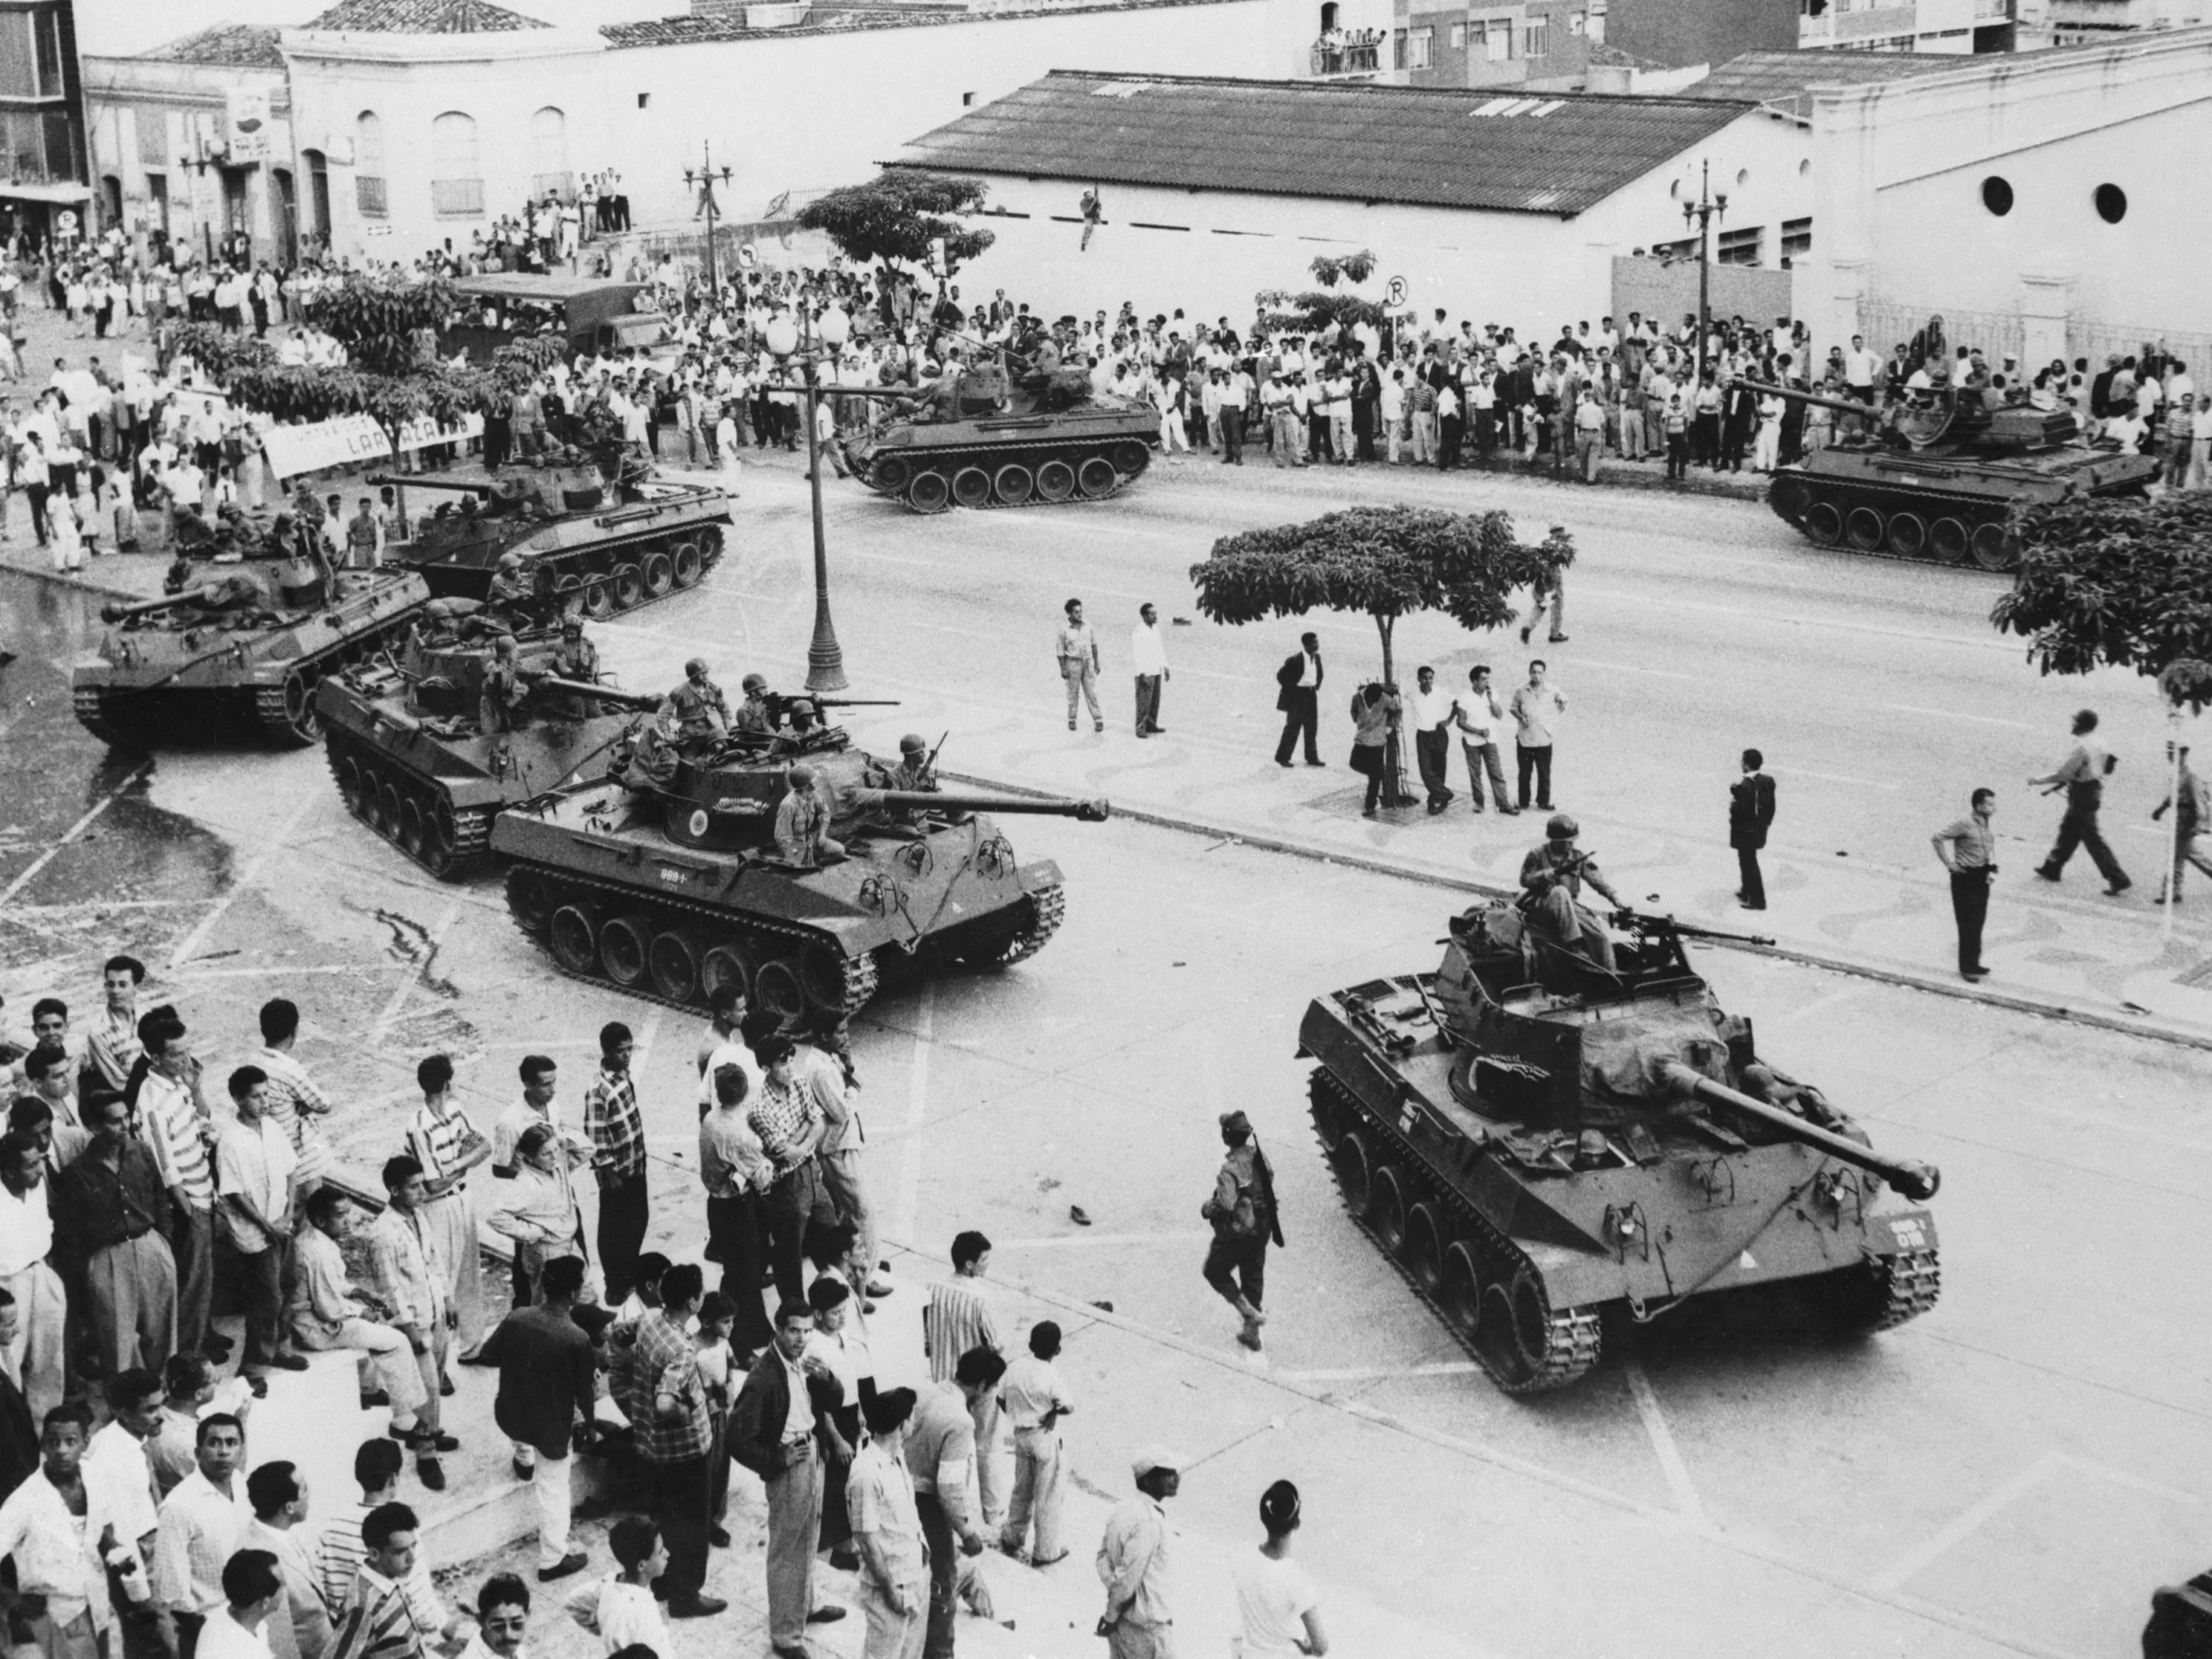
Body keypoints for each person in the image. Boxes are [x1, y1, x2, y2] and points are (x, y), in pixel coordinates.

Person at [730, 1301, 844, 1656]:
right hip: (790, 1465)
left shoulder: (803, 1363)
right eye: (794, 1330)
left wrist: (826, 1378)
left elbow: (832, 1401)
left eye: (808, 1330)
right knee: (787, 1550)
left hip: (812, 1454)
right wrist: (777, 1459)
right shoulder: (763, 1377)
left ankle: (804, 1607)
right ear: (778, 1330)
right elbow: (737, 1439)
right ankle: (785, 1635)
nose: (802, 1337)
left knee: (809, 1540)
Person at [475, 1255, 595, 1583]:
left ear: (543, 1284)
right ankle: (551, 1560)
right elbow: (586, 1396)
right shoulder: (577, 1338)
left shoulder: (517, 1317)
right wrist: (592, 1427)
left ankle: (522, 1459)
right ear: (574, 1294)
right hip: (549, 1427)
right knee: (554, 1490)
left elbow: (487, 1355)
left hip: (512, 1414)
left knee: (523, 1443)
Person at [620, 1263, 725, 1619]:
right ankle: (686, 1595)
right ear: (694, 1303)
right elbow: (665, 1402)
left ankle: (664, 1581)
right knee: (694, 1524)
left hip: (650, 1445)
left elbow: (619, 1332)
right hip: (685, 1450)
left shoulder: (650, 1318)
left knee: (663, 1516)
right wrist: (684, 1411)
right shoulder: (682, 1349)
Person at [0, 1402, 126, 1659]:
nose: (61, 1451)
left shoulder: (96, 1478)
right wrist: (13, 1602)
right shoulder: (24, 1501)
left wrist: (114, 1549)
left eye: (71, 1441)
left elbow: (100, 1528)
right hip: (55, 1616)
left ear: (85, 1443)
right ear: (43, 1444)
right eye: (53, 1442)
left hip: (98, 1605)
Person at [361, 1159, 457, 1491]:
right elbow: (389, 1287)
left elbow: (434, 1262)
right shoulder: (383, 1233)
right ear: (394, 1190)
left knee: (437, 1380)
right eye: (413, 1187)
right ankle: (426, 1455)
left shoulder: (418, 1217)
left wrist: (447, 1299)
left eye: (421, 1184)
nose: (421, 1191)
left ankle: (430, 1435)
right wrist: (409, 1328)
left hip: (436, 1314)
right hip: (415, 1324)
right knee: (424, 1390)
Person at [288, 1187, 424, 1420]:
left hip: (317, 1320)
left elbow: (333, 1284)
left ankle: (369, 1388)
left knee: (380, 1323)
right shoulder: (318, 1252)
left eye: (348, 1214)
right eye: (341, 1216)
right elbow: (330, 1309)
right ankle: (405, 1417)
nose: (348, 1222)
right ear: (321, 1220)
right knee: (399, 1341)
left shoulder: (316, 1239)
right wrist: (362, 1312)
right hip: (317, 1330)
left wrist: (360, 1292)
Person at [904, 1348, 998, 1659]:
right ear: (983, 1385)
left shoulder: (921, 1390)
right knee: (943, 1585)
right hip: (930, 1507)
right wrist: (967, 1532)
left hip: (902, 1492)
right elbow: (950, 1489)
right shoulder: (961, 1422)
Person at [215, 1067, 304, 1388]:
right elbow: (234, 1193)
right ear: (238, 1099)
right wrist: (268, 1226)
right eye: (256, 1096)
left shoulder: (273, 1128)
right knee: (266, 1298)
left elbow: (292, 1172)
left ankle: (281, 1348)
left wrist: (289, 1214)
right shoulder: (231, 1141)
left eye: (266, 1094)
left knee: (288, 1284)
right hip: (258, 1234)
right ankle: (253, 1367)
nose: (264, 1102)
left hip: (283, 1225)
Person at [922, 1232, 1004, 1533]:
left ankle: (953, 1507)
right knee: (985, 1448)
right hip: (979, 1388)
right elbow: (998, 1344)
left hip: (946, 1382)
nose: (987, 1264)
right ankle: (992, 1512)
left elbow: (927, 1337)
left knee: (951, 1447)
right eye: (983, 1260)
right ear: (969, 1264)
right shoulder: (982, 1298)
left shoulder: (932, 1289)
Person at [152, 1413, 247, 1659]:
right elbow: (172, 1591)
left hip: (247, 1621)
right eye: (214, 1443)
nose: (224, 1452)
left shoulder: (240, 1483)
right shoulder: (179, 1506)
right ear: (197, 1452)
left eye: (231, 1443)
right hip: (208, 1629)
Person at [847, 1388, 928, 1659]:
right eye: (913, 1415)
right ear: (902, 1424)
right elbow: (866, 1541)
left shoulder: (896, 1456)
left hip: (911, 1575)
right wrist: (890, 1590)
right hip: (889, 1586)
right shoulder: (866, 1474)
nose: (916, 1420)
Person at [1200, 1109, 1282, 1352]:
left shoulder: (1230, 1169)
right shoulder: (1259, 1155)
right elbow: (1269, 1175)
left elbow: (1225, 1203)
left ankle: (1247, 1311)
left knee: (1214, 1271)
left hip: (1240, 1230)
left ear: (1227, 1138)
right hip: (1264, 1223)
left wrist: (1208, 1208)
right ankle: (1251, 1334)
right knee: (1253, 1274)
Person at [582, 1024, 648, 1307]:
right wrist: (608, 1172)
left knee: (638, 1221)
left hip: (636, 1168)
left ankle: (628, 1273)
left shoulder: (624, 1076)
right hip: (617, 1175)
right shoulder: (599, 1090)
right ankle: (615, 1283)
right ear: (607, 1051)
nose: (626, 1056)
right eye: (620, 1051)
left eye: (629, 1049)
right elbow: (594, 1136)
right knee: (613, 1230)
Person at [2031, 709, 2130, 896]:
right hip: (2092, 790)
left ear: (2083, 725)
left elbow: (2064, 773)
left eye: (2075, 722)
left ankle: (2117, 877)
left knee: (2092, 839)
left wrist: (2038, 780)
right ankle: (2052, 867)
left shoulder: (2081, 748)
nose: (2072, 725)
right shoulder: (2098, 742)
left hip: (2082, 794)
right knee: (2069, 830)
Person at [0, 1131, 62, 1420]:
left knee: (49, 1359)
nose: (39, 1169)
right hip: (7, 1286)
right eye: (31, 1165)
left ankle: (46, 1427)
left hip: (40, 1272)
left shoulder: (36, 1184)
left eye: (39, 1162)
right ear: (9, 1170)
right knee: (10, 1362)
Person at [997, 1322, 1072, 1567]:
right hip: (1044, 1438)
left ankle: (1012, 1537)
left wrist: (1017, 1415)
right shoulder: (1052, 1374)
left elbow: (1001, 1398)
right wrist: (1053, 1413)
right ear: (1057, 1351)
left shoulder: (1015, 1366)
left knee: (1021, 1489)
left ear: (1030, 1345)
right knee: (1048, 1495)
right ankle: (1045, 1551)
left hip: (1022, 1435)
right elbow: (1068, 1405)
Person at [1097, 1446, 1181, 1659]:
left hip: (1124, 1625)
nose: (1176, 1478)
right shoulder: (1150, 1522)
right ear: (1148, 1482)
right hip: (1146, 1632)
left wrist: (1114, 1604)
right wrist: (1112, 1613)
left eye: (1175, 1472)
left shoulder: (1123, 1508)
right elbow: (1129, 1577)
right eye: (1168, 1474)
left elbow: (1102, 1559)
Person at [244, 1463, 333, 1659]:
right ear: (289, 1507)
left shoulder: (283, 1533)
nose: (310, 1494)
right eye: (304, 1489)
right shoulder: (258, 1560)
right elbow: (277, 1640)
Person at [1234, 1480, 1327, 1659]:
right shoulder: (1296, 1580)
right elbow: (1321, 1646)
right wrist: (1305, 1647)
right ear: (1296, 1524)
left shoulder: (1244, 1557)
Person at [1519, 815, 1625, 972]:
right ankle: (1573, 943)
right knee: (1561, 892)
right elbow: (1524, 879)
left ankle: (1612, 975)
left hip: (1570, 909)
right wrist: (1543, 875)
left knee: (1600, 939)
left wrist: (1614, 898)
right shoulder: (1536, 855)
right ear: (1554, 840)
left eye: (1572, 840)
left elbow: (1596, 880)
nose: (1571, 844)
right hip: (1543, 906)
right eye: (1566, 841)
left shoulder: (1576, 857)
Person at [324, 1504, 425, 1659]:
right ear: (374, 1554)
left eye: (413, 1546)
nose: (412, 1558)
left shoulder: (390, 1577)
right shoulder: (363, 1608)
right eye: (400, 1551)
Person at [1932, 788, 1999, 982]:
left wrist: (1991, 872)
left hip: (1981, 877)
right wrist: (1949, 863)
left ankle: (1974, 963)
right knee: (1967, 924)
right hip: (1965, 878)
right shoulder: (1965, 824)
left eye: (1993, 804)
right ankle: (1967, 968)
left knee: (1978, 922)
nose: (1993, 808)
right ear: (1978, 806)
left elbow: (1988, 849)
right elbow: (1937, 838)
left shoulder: (1985, 824)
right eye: (1989, 805)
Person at [591, 1519, 673, 1657]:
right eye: (660, 1553)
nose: (667, 1554)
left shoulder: (612, 1581)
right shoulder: (633, 1617)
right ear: (642, 1565)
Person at [2150, 743, 2212, 904]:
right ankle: (2174, 892)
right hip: (2181, 818)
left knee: (2176, 857)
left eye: (2173, 753)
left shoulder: (2190, 775)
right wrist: (2161, 809)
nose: (2169, 756)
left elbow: (2200, 803)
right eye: (2169, 752)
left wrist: (2196, 825)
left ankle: (2170, 893)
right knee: (2189, 855)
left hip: (2188, 820)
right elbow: (2174, 795)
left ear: (2183, 754)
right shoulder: (2178, 772)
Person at [1450, 665, 1515, 816]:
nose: (1487, 682)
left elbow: (1499, 714)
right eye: (1483, 679)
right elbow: (1460, 721)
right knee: (1475, 773)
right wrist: (1478, 732)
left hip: (1490, 740)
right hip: (1471, 741)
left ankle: (1503, 803)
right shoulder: (1465, 697)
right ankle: (1479, 802)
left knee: (1496, 772)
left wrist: (1491, 699)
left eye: (1488, 678)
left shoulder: (1492, 694)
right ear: (1474, 681)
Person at [1510, 660, 1566, 812]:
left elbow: (1563, 703)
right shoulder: (1522, 690)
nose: (1536, 675)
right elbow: (1513, 708)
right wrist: (1521, 718)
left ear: (1544, 674)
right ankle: (1523, 801)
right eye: (1534, 672)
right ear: (1529, 673)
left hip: (1544, 738)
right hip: (1525, 738)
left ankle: (1543, 801)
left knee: (1544, 772)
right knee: (1524, 772)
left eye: (1540, 672)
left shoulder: (1552, 690)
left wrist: (1554, 717)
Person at [1730, 748, 1777, 912]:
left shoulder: (1745, 786)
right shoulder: (1766, 782)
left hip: (1746, 832)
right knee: (1747, 861)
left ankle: (1757, 900)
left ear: (1747, 765)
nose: (1741, 764)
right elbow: (1771, 807)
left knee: (1749, 864)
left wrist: (1735, 801)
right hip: (1759, 830)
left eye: (1743, 761)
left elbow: (1740, 811)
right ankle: (1746, 891)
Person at [1406, 666, 1455, 815]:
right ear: (1419, 679)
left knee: (1439, 770)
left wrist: (1448, 721)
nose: (1428, 681)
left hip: (1439, 734)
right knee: (1426, 771)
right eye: (1425, 678)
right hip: (1422, 735)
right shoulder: (1413, 693)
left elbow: (1457, 703)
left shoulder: (1440, 692)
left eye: (1430, 678)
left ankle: (1435, 800)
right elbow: (1397, 694)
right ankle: (1445, 794)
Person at [774, 767, 845, 868]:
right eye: (811, 781)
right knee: (801, 865)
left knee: (839, 850)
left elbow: (825, 813)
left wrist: (822, 835)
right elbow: (782, 837)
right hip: (795, 845)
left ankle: (818, 861)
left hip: (812, 840)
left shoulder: (814, 796)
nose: (814, 783)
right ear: (805, 785)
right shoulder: (788, 805)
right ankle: (807, 861)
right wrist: (796, 851)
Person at [1348, 682, 1400, 819]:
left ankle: (1370, 803)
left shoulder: (1384, 699)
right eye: (1371, 701)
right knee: (1354, 763)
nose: (1373, 703)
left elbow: (1398, 709)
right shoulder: (1358, 697)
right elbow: (1353, 710)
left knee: (1375, 777)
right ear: (1366, 695)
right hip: (1362, 739)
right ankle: (1378, 772)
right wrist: (1357, 719)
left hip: (1377, 742)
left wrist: (1391, 725)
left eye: (1376, 701)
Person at [1274, 633, 1324, 769]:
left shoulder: (1317, 658)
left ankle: (1312, 757)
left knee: (1311, 727)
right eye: (1314, 642)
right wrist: (1293, 689)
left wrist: (1316, 686)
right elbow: (1281, 676)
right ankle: (1283, 757)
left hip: (1311, 695)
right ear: (1307, 645)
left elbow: (1320, 674)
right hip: (1298, 697)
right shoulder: (1295, 660)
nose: (1317, 644)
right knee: (1293, 728)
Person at [1055, 598, 1103, 734]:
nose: (1079, 615)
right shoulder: (1064, 629)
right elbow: (1060, 651)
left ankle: (1098, 719)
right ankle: (1072, 718)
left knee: (1091, 692)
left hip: (1087, 662)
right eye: (1076, 612)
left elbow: (1094, 645)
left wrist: (1097, 663)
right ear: (1070, 614)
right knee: (1073, 692)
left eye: (1081, 612)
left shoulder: (1088, 626)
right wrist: (1063, 668)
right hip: (1073, 663)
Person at [666, 658, 728, 746]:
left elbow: (724, 710)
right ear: (693, 676)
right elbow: (663, 714)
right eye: (702, 674)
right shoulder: (680, 692)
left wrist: (727, 727)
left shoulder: (713, 689)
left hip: (710, 731)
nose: (705, 676)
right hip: (690, 735)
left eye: (706, 672)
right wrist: (666, 734)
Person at [1129, 602, 1168, 737]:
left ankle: (1151, 724)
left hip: (1156, 670)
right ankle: (1140, 727)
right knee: (1143, 701)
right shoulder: (1138, 632)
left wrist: (1165, 666)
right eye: (1152, 614)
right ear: (1145, 616)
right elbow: (1137, 654)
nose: (1155, 616)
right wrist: (1142, 673)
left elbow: (1160, 649)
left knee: (1154, 701)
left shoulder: (1155, 630)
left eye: (1155, 614)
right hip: (1145, 672)